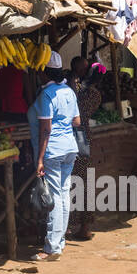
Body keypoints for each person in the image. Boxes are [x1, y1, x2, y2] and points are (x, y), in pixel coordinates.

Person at [30, 55, 81, 261]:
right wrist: (64, 118)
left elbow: (46, 129)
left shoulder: (46, 95)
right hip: (70, 148)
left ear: (44, 72)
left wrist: (40, 159)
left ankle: (51, 248)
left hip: (53, 150)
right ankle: (59, 243)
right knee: (63, 194)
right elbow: (77, 121)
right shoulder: (68, 91)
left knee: (53, 199)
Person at [68, 57, 103, 241]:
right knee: (82, 181)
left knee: (73, 181)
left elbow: (76, 110)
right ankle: (83, 227)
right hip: (82, 138)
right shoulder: (92, 94)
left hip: (76, 138)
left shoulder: (85, 93)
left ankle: (74, 226)